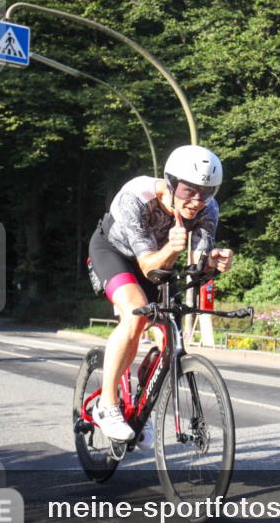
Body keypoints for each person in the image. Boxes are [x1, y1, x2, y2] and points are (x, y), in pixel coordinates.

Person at [87, 145, 233, 441]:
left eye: (207, 192)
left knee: (172, 334)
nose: (196, 201)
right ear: (170, 183)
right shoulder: (136, 198)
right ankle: (107, 404)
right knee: (135, 313)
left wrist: (214, 265)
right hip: (115, 253)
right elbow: (148, 267)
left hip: (160, 259)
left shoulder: (208, 209)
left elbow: (197, 267)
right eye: (188, 191)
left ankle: (139, 404)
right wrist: (172, 247)